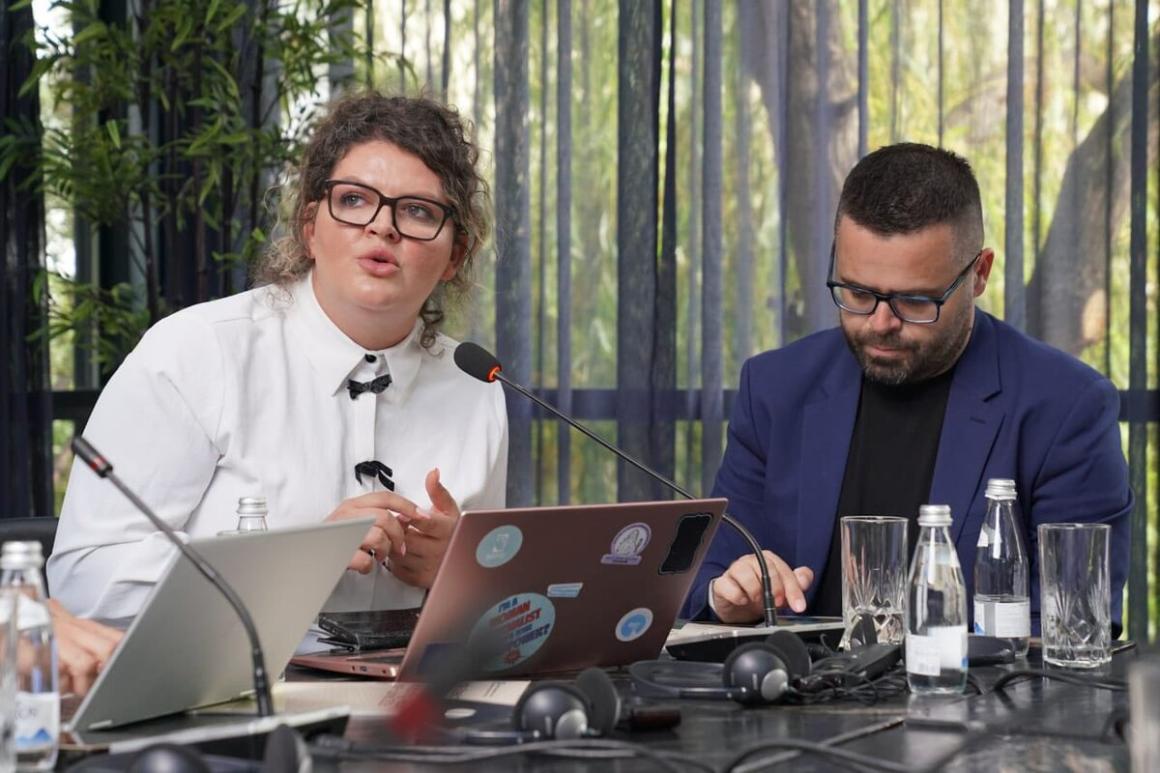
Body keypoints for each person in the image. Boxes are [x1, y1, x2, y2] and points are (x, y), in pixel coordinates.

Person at [48, 92, 508, 619]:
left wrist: (457, 570)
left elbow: (491, 615)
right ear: (310, 226)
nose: (383, 226)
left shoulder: (476, 386)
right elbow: (85, 578)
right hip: (234, 692)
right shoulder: (197, 351)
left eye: (418, 211)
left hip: (413, 697)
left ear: (456, 255)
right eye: (355, 200)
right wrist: (298, 563)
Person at [683, 143, 1131, 632]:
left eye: (915, 301)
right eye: (857, 293)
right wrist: (726, 596)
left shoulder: (1067, 408)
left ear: (979, 274)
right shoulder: (774, 388)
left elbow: (1077, 626)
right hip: (792, 702)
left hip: (971, 704)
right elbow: (702, 583)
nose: (880, 323)